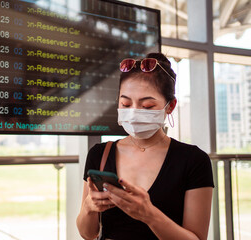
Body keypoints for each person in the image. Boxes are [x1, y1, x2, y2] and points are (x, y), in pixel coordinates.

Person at [76, 53, 214, 240]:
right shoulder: (99, 154)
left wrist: (149, 215)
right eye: (125, 104)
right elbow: (87, 233)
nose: (133, 114)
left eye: (147, 106)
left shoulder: (193, 160)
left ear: (170, 106)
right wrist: (89, 208)